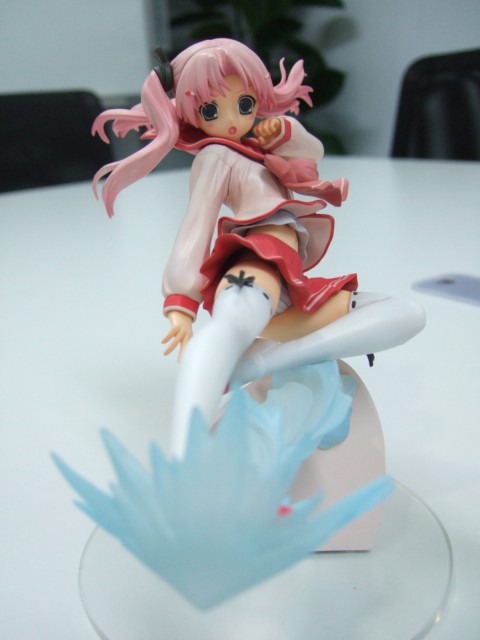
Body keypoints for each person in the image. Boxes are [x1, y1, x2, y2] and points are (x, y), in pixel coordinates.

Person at [93, 39, 425, 458]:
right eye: (211, 110)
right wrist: (181, 300)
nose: (232, 121)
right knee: (226, 330)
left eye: (245, 103)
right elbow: (196, 225)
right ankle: (183, 457)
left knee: (407, 312)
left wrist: (281, 130)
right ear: (191, 115)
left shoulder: (259, 150)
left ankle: (262, 362)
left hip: (289, 286)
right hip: (257, 266)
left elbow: (312, 151)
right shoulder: (216, 156)